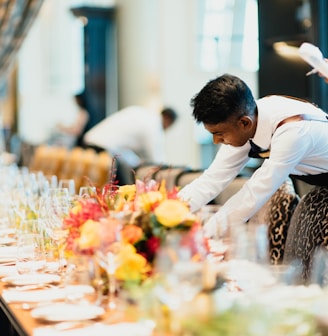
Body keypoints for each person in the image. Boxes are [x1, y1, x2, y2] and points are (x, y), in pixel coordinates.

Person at [178, 73, 328, 239]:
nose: (216, 141)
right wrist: (167, 211)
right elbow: (212, 179)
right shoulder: (246, 119)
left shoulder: (293, 132)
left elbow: (253, 194)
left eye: (219, 133)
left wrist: (203, 236)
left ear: (244, 123)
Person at [83, 105, 178, 167]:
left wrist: (136, 162)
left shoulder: (145, 115)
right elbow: (157, 160)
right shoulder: (154, 125)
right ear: (168, 119)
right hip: (101, 149)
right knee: (117, 187)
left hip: (91, 142)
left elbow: (122, 148)